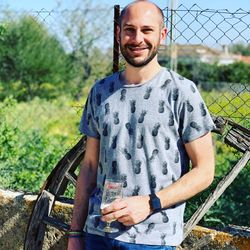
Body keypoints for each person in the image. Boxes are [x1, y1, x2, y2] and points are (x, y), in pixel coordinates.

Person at [68, 0, 215, 249]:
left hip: (153, 240)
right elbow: (90, 167)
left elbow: (205, 171)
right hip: (98, 234)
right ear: (118, 34)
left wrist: (150, 203)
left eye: (147, 30)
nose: (137, 38)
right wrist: (74, 234)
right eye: (129, 29)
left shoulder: (181, 91)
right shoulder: (100, 91)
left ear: (162, 35)